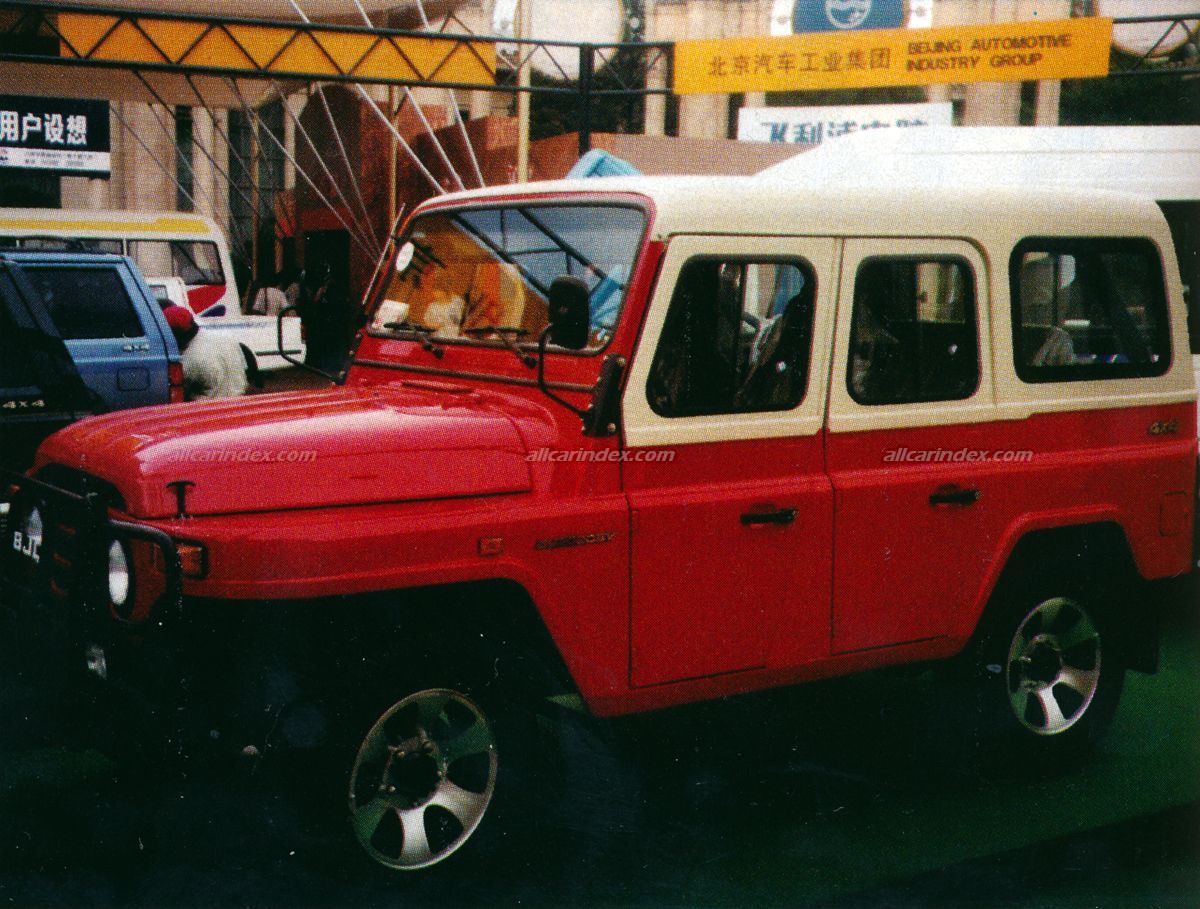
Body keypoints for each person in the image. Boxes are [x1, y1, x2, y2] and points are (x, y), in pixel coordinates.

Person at [163, 305, 249, 400]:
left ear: (175, 335)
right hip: (238, 402)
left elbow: (176, 393)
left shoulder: (190, 360)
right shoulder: (228, 339)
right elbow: (245, 370)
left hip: (211, 407)